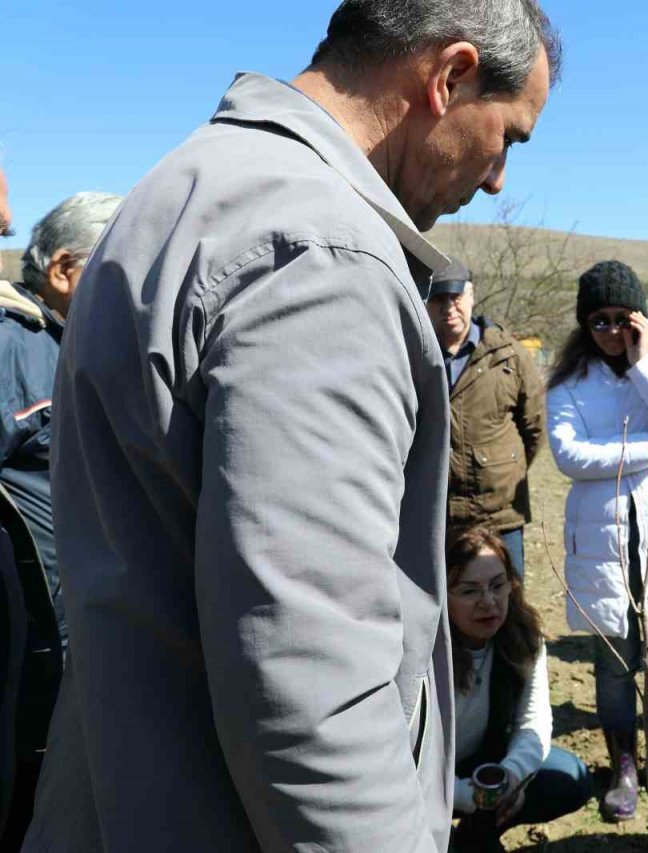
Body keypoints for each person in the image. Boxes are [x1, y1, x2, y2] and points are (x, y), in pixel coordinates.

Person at [23, 2, 559, 850]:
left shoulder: (183, 188)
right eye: (511, 136)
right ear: (450, 76)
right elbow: (310, 684)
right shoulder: (324, 258)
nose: (497, 179)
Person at [546, 259, 648, 822]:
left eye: (621, 319)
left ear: (641, 320)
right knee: (613, 663)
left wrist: (640, 364)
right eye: (598, 321)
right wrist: (645, 453)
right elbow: (569, 456)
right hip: (603, 540)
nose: (610, 332)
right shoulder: (568, 383)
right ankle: (625, 766)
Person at [0, 192, 123, 845]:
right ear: (65, 271)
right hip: (24, 660)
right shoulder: (15, 346)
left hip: (62, 649)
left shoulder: (62, 344)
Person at [444, 527, 590, 853]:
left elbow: (533, 722)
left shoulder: (523, 638)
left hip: (484, 769)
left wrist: (512, 778)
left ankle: (475, 833)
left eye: (498, 585)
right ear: (442, 594)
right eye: (469, 591)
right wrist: (463, 797)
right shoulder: (423, 655)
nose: (488, 602)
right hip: (423, 782)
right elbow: (405, 762)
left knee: (570, 775)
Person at [425, 260, 545, 576]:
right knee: (445, 612)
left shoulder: (509, 355)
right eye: (438, 299)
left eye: (456, 298)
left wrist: (501, 468)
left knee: (509, 610)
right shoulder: (416, 357)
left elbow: (534, 429)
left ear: (472, 296)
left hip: (500, 516)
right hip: (437, 518)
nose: (449, 308)